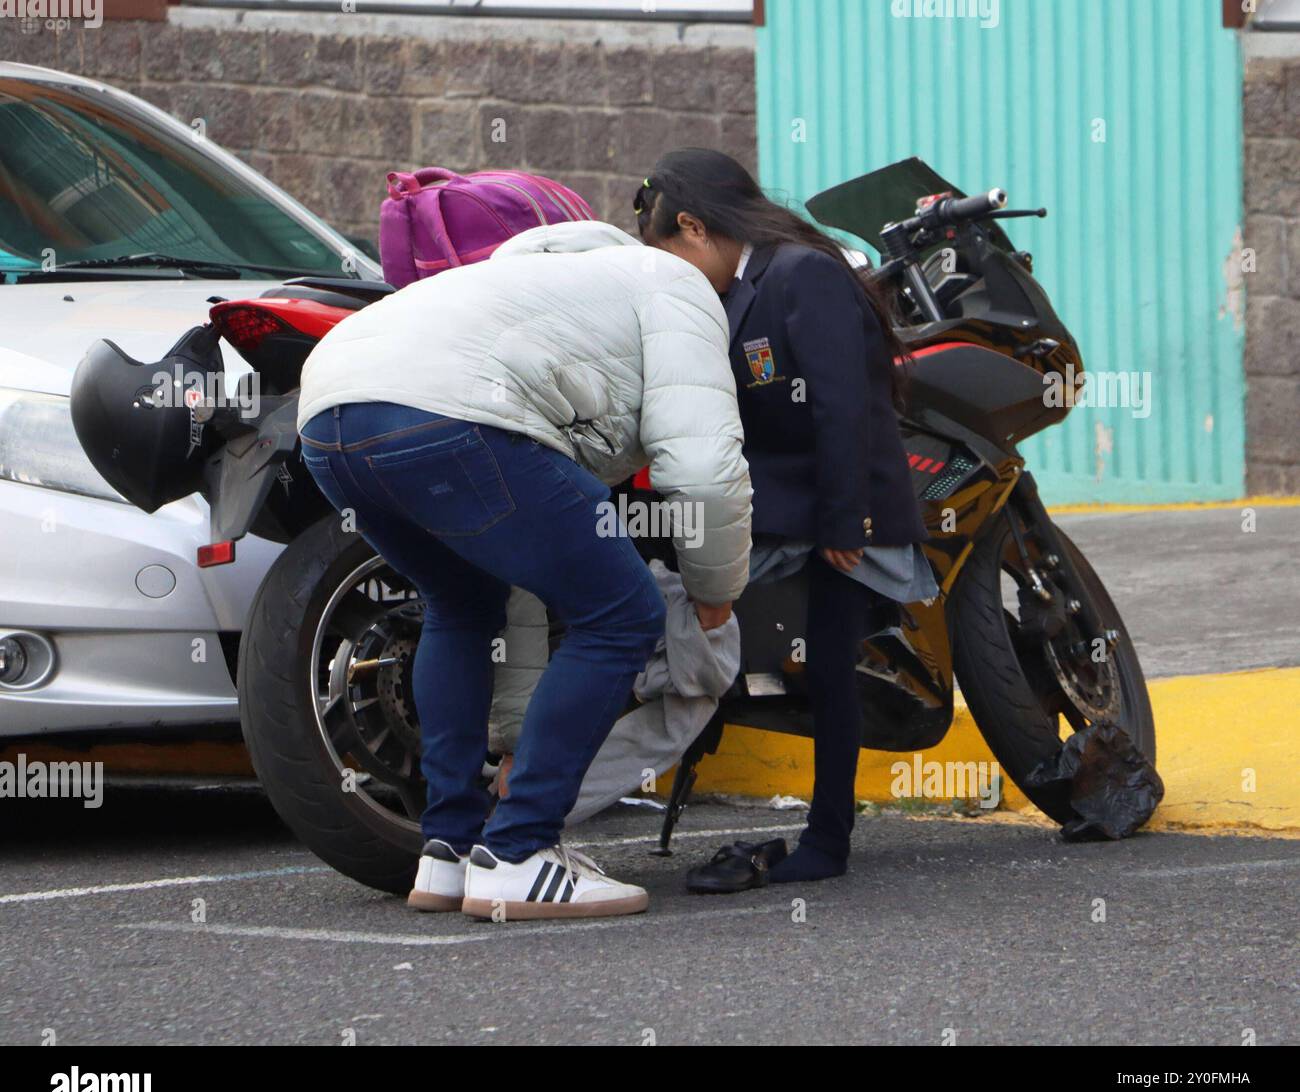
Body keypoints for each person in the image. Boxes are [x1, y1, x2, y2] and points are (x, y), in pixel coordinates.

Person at [296, 219, 752, 919]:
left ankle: (446, 850)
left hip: (327, 417)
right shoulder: (674, 283)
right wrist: (716, 592)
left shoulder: (510, 282)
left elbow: (526, 597)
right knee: (624, 613)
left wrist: (515, 735)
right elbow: (702, 469)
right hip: (451, 414)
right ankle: (519, 852)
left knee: (462, 601)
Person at [636, 148, 935, 883]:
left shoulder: (803, 272)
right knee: (811, 666)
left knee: (833, 668)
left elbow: (841, 406)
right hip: (783, 507)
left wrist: (844, 524)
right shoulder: (740, 288)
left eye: (672, 254)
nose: (674, 274)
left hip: (838, 508)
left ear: (695, 227)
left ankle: (827, 844)